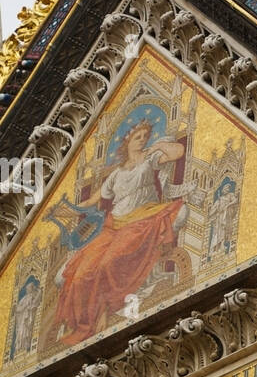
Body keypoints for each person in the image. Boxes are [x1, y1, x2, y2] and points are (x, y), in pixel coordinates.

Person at [51, 121, 186, 347]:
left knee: (108, 262)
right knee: (82, 270)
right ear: (127, 142)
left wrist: (155, 147)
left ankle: (104, 307)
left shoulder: (150, 159)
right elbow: (93, 201)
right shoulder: (116, 174)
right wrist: (65, 210)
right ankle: (91, 318)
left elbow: (178, 152)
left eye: (145, 136)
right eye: (138, 137)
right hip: (114, 225)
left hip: (143, 218)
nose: (142, 139)